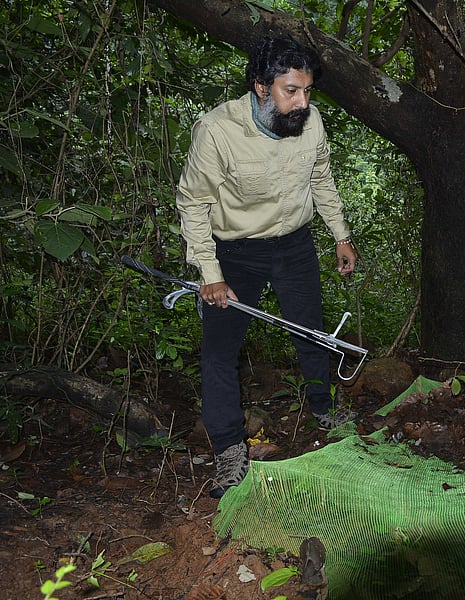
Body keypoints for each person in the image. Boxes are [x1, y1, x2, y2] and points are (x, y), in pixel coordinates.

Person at [176, 35, 358, 498]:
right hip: (235, 253)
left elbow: (321, 177)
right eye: (290, 91)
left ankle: (324, 409)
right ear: (261, 87)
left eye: (308, 91)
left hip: (295, 245)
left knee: (311, 330)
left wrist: (340, 235)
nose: (302, 102)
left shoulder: (310, 122)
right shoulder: (217, 131)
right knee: (220, 351)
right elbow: (194, 204)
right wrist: (210, 274)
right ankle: (230, 450)